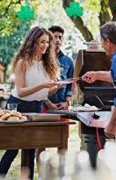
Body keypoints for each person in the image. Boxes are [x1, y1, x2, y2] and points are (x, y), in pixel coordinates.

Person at [0, 26, 60, 180]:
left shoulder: (47, 63)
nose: (45, 45)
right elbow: (21, 91)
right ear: (32, 42)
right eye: (41, 42)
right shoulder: (22, 62)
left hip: (36, 107)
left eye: (46, 42)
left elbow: (43, 93)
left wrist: (55, 88)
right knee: (13, 148)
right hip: (17, 106)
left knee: (31, 148)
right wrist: (43, 86)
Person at [36, 26, 74, 168]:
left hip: (62, 109)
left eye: (60, 37)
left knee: (62, 143)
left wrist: (67, 102)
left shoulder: (68, 61)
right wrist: (48, 103)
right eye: (55, 37)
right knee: (41, 143)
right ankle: (41, 175)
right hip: (43, 107)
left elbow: (70, 85)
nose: (58, 40)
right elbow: (37, 85)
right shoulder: (41, 59)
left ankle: (61, 174)